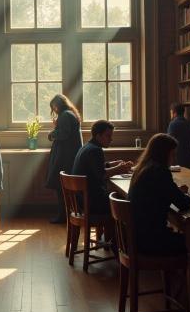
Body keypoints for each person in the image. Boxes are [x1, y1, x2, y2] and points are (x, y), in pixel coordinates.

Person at [128, 133, 190, 256]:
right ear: (164, 154)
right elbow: (183, 204)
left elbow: (158, 192)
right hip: (151, 242)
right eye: (172, 154)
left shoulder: (142, 169)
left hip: (134, 237)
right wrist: (187, 196)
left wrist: (175, 191)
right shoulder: (160, 172)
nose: (174, 159)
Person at [71, 120, 134, 218]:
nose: (111, 139)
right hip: (91, 203)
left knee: (120, 198)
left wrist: (113, 164)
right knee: (126, 204)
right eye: (108, 136)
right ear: (98, 136)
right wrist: (119, 168)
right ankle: (117, 233)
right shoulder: (95, 150)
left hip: (82, 201)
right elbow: (102, 174)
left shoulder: (87, 147)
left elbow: (94, 167)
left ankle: (112, 233)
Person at [46, 94, 83, 224]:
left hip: (65, 158)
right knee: (65, 187)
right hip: (69, 156)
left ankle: (63, 215)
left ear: (57, 105)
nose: (54, 110)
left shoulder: (65, 115)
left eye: (53, 107)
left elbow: (64, 133)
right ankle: (68, 214)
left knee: (61, 187)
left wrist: (52, 134)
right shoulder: (70, 114)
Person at [166, 102, 190, 169]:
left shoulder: (173, 124)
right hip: (189, 158)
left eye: (171, 112)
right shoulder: (189, 124)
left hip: (177, 159)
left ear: (174, 112)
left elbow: (168, 142)